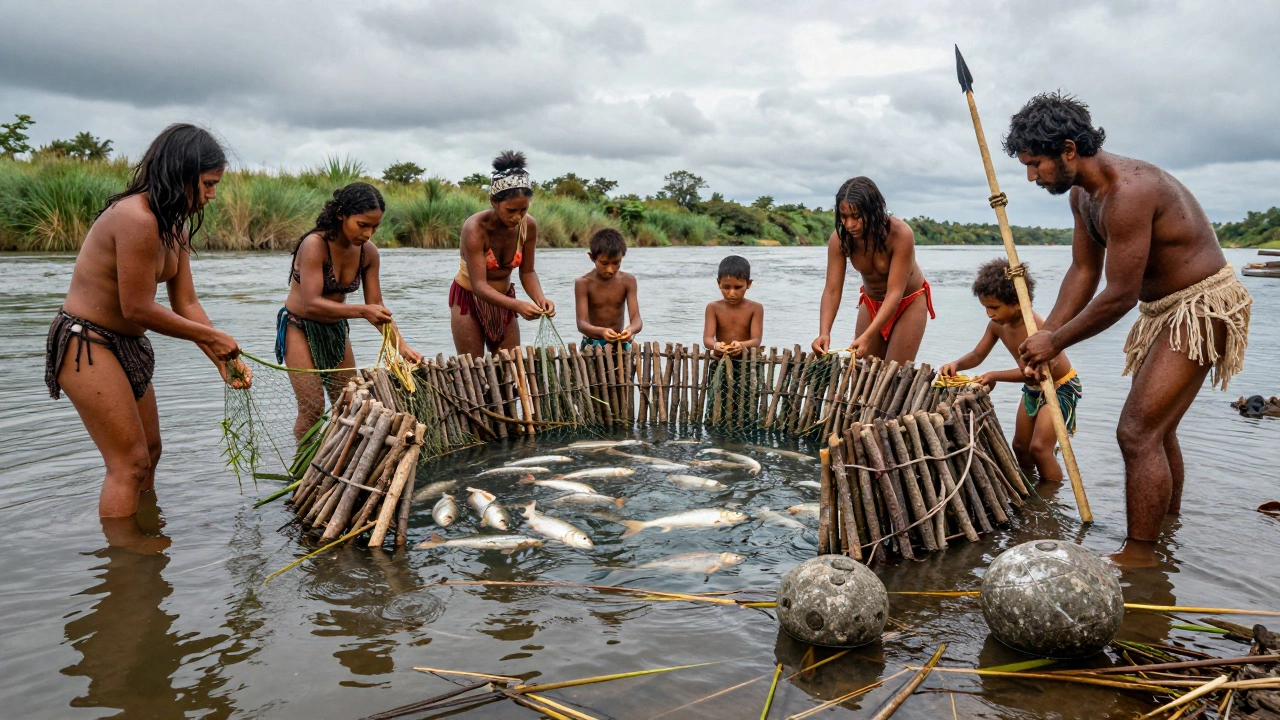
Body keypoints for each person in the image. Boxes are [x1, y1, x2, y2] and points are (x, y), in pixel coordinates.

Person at [1007, 92, 1252, 567]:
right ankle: (1166, 533)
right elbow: (1083, 272)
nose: (1031, 177)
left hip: (1201, 305)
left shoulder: (1130, 192)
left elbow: (1119, 294)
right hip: (1163, 310)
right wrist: (1044, 340)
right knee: (1158, 432)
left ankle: (1140, 556)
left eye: (1036, 164)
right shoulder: (1083, 195)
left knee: (1137, 432)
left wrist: (1055, 340)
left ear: (1069, 150)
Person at [44, 123, 250, 550]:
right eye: (209, 183)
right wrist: (215, 339)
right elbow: (136, 307)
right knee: (129, 462)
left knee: (150, 452)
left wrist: (221, 358)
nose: (212, 194)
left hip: (127, 346)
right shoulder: (135, 217)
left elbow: (186, 303)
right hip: (88, 342)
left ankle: (143, 529)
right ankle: (125, 556)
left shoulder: (173, 224)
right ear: (181, 173)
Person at [279, 182, 421, 441]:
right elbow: (311, 302)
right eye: (362, 225)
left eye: (374, 227)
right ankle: (301, 472)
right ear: (341, 214)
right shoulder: (315, 244)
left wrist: (401, 346)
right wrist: (363, 311)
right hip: (297, 326)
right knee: (312, 411)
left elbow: (376, 306)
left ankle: (335, 463)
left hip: (334, 329)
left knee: (349, 403)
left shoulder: (368, 253)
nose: (368, 233)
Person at [940, 259, 1082, 485]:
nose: (988, 314)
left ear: (1017, 302)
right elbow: (978, 354)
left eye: (994, 307)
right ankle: (1030, 489)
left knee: (1039, 448)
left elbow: (1035, 373)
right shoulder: (997, 325)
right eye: (985, 307)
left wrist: (995, 375)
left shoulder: (1036, 328)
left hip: (1058, 387)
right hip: (1034, 389)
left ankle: (1051, 494)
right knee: (1020, 446)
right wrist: (956, 364)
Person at [812, 177, 934, 361]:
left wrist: (867, 336)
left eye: (856, 216)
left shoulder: (900, 234)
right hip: (871, 302)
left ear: (875, 210)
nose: (850, 224)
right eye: (843, 216)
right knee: (864, 371)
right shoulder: (840, 239)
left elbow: (894, 293)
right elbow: (832, 290)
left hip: (908, 301)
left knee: (893, 374)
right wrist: (824, 332)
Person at [449, 151, 555, 356]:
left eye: (523, 209)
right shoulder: (475, 229)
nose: (517, 217)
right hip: (469, 300)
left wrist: (540, 299)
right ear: (493, 201)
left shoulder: (528, 226)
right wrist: (518, 306)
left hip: (505, 300)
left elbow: (528, 272)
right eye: (510, 210)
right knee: (473, 370)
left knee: (511, 367)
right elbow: (479, 286)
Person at [575, 228, 642, 350]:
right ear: (592, 258)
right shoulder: (583, 283)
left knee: (624, 367)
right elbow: (581, 324)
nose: (610, 269)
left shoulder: (628, 281)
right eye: (604, 263)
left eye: (616, 263)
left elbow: (636, 319)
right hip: (593, 345)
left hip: (619, 343)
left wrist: (629, 330)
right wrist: (601, 332)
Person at [704, 255, 763, 357]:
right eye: (726, 287)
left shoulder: (755, 308)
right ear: (719, 283)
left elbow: (756, 340)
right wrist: (716, 345)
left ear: (748, 284)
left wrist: (741, 345)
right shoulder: (713, 308)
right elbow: (707, 339)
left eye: (738, 287)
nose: (732, 293)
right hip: (721, 358)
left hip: (747, 360)